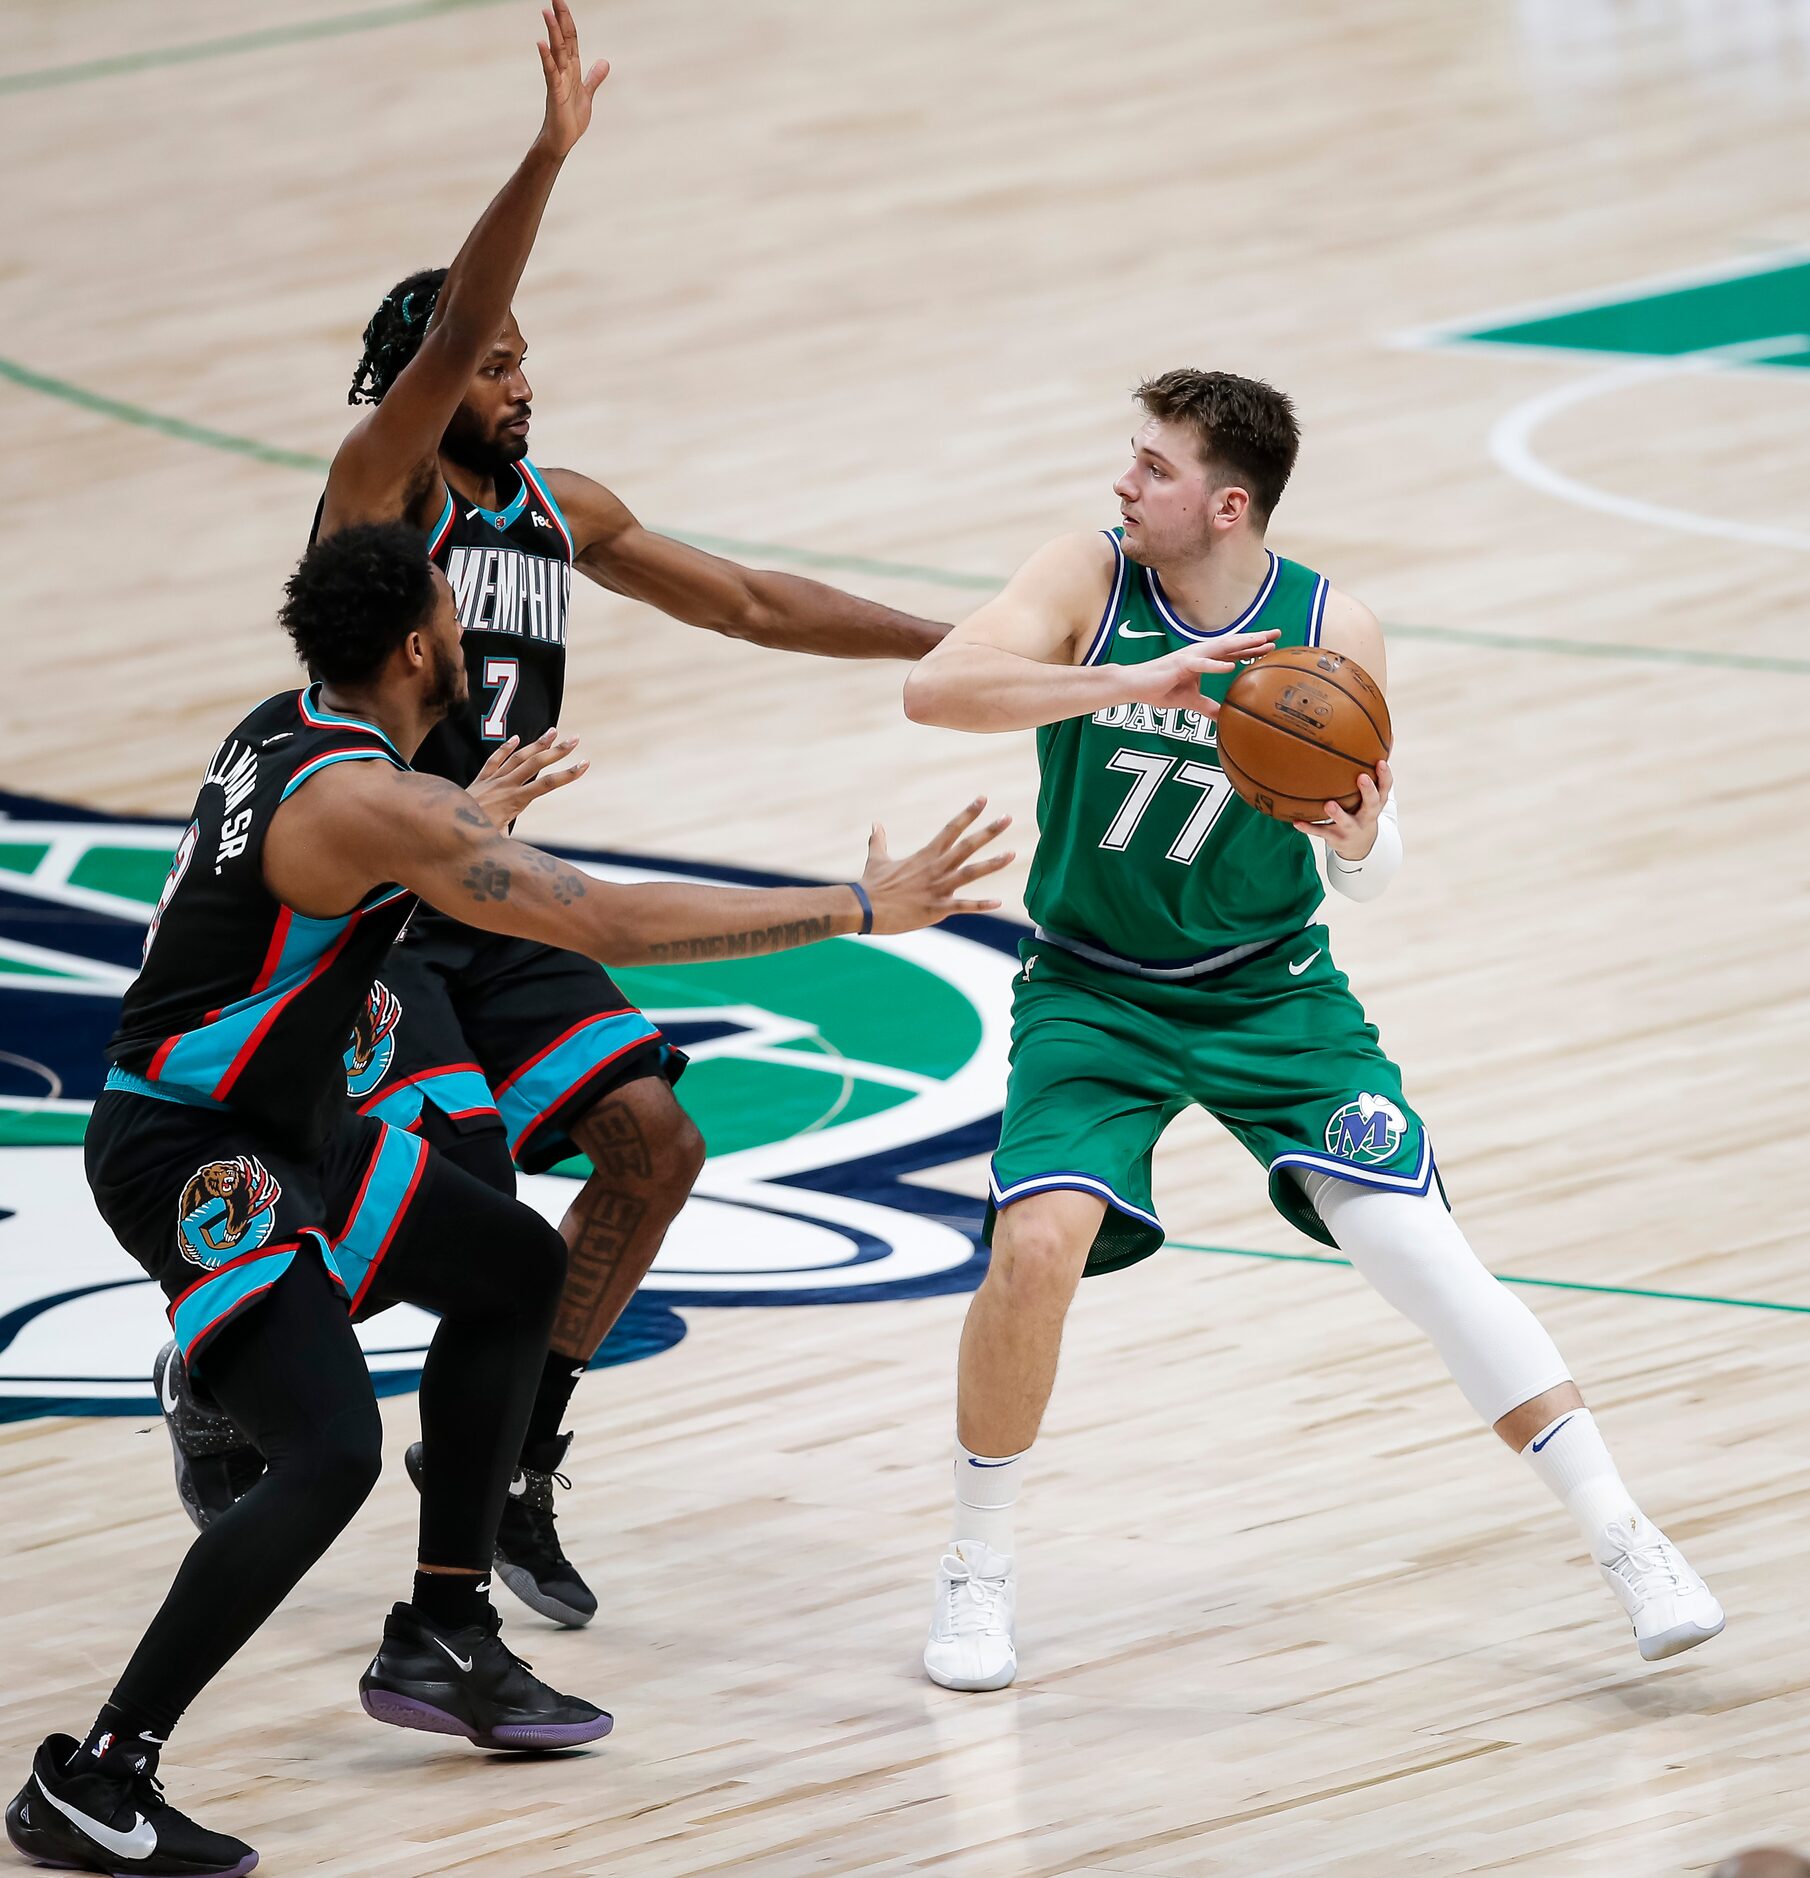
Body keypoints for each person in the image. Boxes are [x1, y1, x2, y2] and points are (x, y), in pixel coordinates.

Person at [7, 521, 1009, 1876]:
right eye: (453, 612)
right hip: (191, 1147)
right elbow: (599, 921)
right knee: (328, 1454)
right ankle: (98, 1775)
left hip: (299, 1121)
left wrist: (472, 816)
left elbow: (363, 862)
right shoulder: (380, 802)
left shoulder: (296, 729)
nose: (474, 632)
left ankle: (443, 1629)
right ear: (419, 645)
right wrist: (854, 904)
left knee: (513, 1267)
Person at [157, 3, 955, 1629]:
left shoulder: (558, 507)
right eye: (497, 360)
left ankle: (517, 1462)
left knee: (654, 1143)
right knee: (459, 1204)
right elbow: (454, 328)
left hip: (496, 899)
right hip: (381, 911)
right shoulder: (383, 487)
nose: (522, 381)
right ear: (424, 379)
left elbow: (746, 598)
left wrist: (959, 642)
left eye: (527, 361)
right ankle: (225, 1358)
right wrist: (543, 158)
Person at [899, 367, 1723, 1692]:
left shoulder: (1333, 628)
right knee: (1033, 1244)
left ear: (1227, 505)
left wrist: (1353, 838)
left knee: (1416, 1245)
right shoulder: (1083, 579)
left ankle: (1624, 1535)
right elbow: (933, 691)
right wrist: (1137, 679)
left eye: (1153, 468)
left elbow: (1371, 853)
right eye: (1131, 458)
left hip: (1267, 988)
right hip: (1090, 986)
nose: (1124, 482)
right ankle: (975, 1563)